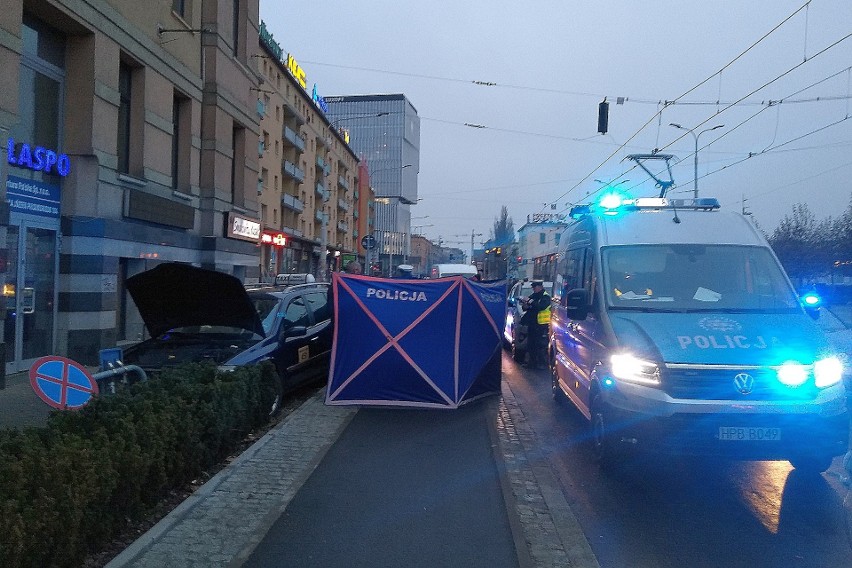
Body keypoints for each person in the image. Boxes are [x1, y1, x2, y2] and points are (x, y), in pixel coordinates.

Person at [520, 280, 551, 369]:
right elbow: (526, 307)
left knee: (540, 345)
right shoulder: (534, 296)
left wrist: (530, 301)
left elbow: (540, 306)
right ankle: (531, 363)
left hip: (542, 325)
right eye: (533, 287)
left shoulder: (545, 297)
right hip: (533, 324)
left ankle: (542, 364)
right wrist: (525, 304)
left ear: (540, 287)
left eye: (534, 287)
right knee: (531, 345)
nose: (533, 289)